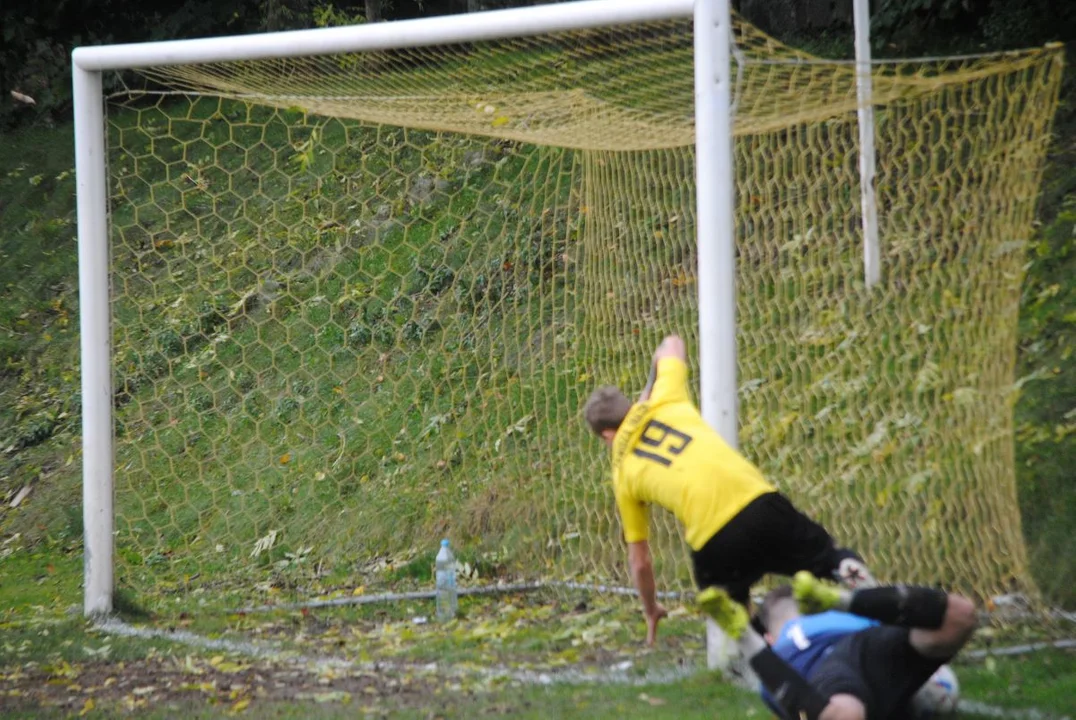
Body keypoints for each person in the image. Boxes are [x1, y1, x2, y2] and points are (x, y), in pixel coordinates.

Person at [582, 334, 875, 646]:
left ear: (608, 435)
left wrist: (651, 609)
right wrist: (647, 395)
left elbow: (640, 561)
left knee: (732, 614)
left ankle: (767, 657)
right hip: (759, 503)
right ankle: (878, 602)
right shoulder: (665, 397)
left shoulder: (622, 472)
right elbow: (671, 343)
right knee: (827, 558)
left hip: (713, 541)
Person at [736, 572, 978, 720]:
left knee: (844, 714)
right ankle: (846, 600)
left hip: (816, 666)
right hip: (865, 637)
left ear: (769, 638)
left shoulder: (780, 656)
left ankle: (743, 636)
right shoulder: (857, 621)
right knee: (959, 617)